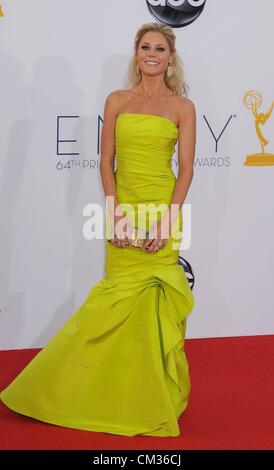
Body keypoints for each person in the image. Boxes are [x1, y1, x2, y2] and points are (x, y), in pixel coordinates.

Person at [0, 22, 196, 437]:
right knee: (110, 304)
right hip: (122, 211)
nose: (151, 55)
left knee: (153, 309)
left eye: (160, 49)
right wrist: (115, 213)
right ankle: (70, 390)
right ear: (136, 53)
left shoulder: (183, 108)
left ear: (170, 58)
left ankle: (150, 397)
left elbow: (187, 170)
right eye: (145, 47)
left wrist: (168, 219)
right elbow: (105, 162)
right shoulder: (116, 100)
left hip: (162, 210)